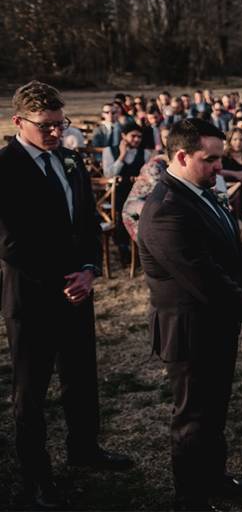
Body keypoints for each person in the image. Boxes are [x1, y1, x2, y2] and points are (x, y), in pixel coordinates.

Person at [1, 82, 132, 509]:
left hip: (79, 290)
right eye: (47, 126)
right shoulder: (5, 167)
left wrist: (90, 269)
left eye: (62, 124)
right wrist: (65, 276)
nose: (58, 133)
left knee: (81, 378)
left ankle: (85, 449)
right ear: (18, 122)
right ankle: (37, 478)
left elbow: (89, 225)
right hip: (33, 296)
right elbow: (9, 242)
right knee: (31, 392)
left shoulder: (72, 160)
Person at [138, 119, 242, 511]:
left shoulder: (204, 192)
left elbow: (234, 245)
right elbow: (202, 275)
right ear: (180, 156)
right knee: (192, 419)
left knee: (216, 409)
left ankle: (215, 478)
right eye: (209, 159)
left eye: (220, 158)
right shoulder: (165, 209)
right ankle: (190, 498)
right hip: (189, 330)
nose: (218, 166)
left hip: (219, 324)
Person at [103, 122, 154, 262]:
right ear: (123, 136)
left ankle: (140, 248)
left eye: (139, 137)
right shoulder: (109, 151)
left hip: (138, 195)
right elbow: (108, 175)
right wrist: (122, 155)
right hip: (116, 194)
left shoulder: (145, 153)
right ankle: (124, 248)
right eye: (133, 136)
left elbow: (148, 177)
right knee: (120, 210)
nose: (137, 139)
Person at [122, 150, 169, 243]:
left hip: (148, 208)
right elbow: (160, 191)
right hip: (135, 211)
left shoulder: (165, 165)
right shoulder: (154, 166)